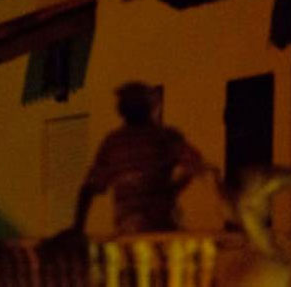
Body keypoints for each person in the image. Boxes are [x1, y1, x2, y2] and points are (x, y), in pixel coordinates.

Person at [66, 81, 206, 236]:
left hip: (136, 230)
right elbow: (196, 163)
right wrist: (173, 190)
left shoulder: (116, 142)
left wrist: (77, 228)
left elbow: (89, 188)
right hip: (156, 229)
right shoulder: (162, 137)